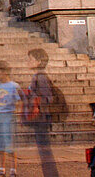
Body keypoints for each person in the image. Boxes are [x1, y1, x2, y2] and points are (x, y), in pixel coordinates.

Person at [25, 49, 58, 177]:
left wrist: (36, 102)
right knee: (43, 149)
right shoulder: (37, 76)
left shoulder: (41, 77)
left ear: (38, 62)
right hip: (40, 116)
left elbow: (48, 97)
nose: (28, 62)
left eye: (31, 59)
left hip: (41, 117)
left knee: (44, 149)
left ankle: (51, 175)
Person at [0, 61, 21, 177]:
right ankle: (2, 168)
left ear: (4, 72)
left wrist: (18, 112)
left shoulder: (13, 86)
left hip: (8, 116)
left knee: (9, 143)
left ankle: (13, 169)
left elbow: (19, 100)